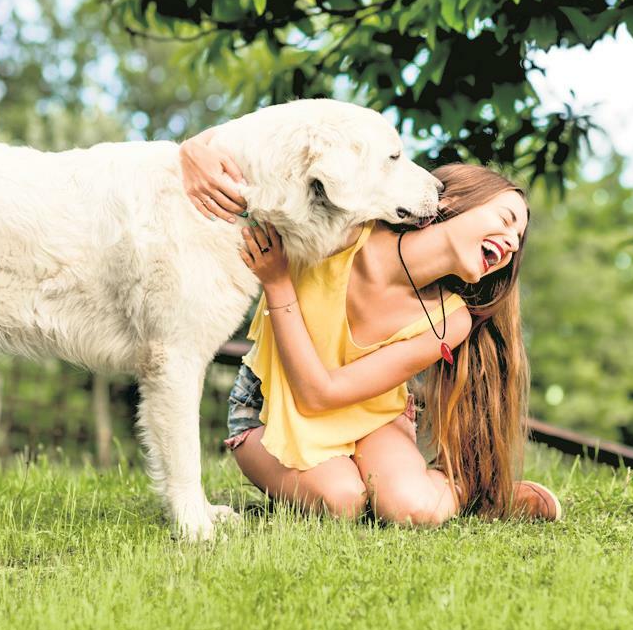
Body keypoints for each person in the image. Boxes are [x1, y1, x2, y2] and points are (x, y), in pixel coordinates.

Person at [180, 131, 561, 525]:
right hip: (268, 410)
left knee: (413, 508)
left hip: (373, 419)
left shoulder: (451, 320)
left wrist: (278, 284)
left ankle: (474, 493)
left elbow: (323, 394)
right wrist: (194, 150)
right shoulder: (347, 227)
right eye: (506, 220)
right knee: (343, 500)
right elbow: (277, 146)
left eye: (517, 240)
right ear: (451, 199)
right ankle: (354, 477)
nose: (511, 243)